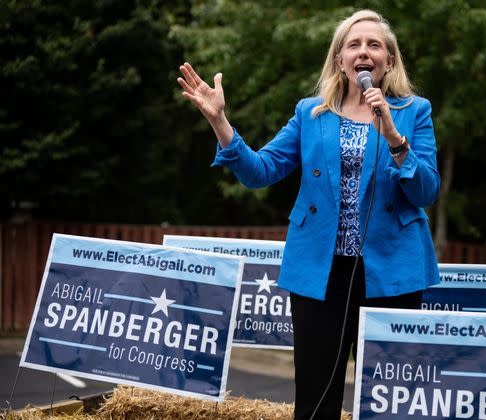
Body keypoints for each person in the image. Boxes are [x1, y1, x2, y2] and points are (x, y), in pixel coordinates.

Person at [178, 9, 440, 419]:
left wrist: (394, 138)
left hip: (393, 271)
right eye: (354, 44)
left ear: (389, 61)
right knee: (317, 396)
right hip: (321, 270)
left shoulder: (413, 111)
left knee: (392, 399)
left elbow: (426, 191)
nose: (364, 52)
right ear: (340, 59)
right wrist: (220, 121)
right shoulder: (310, 112)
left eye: (374, 45)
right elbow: (260, 172)